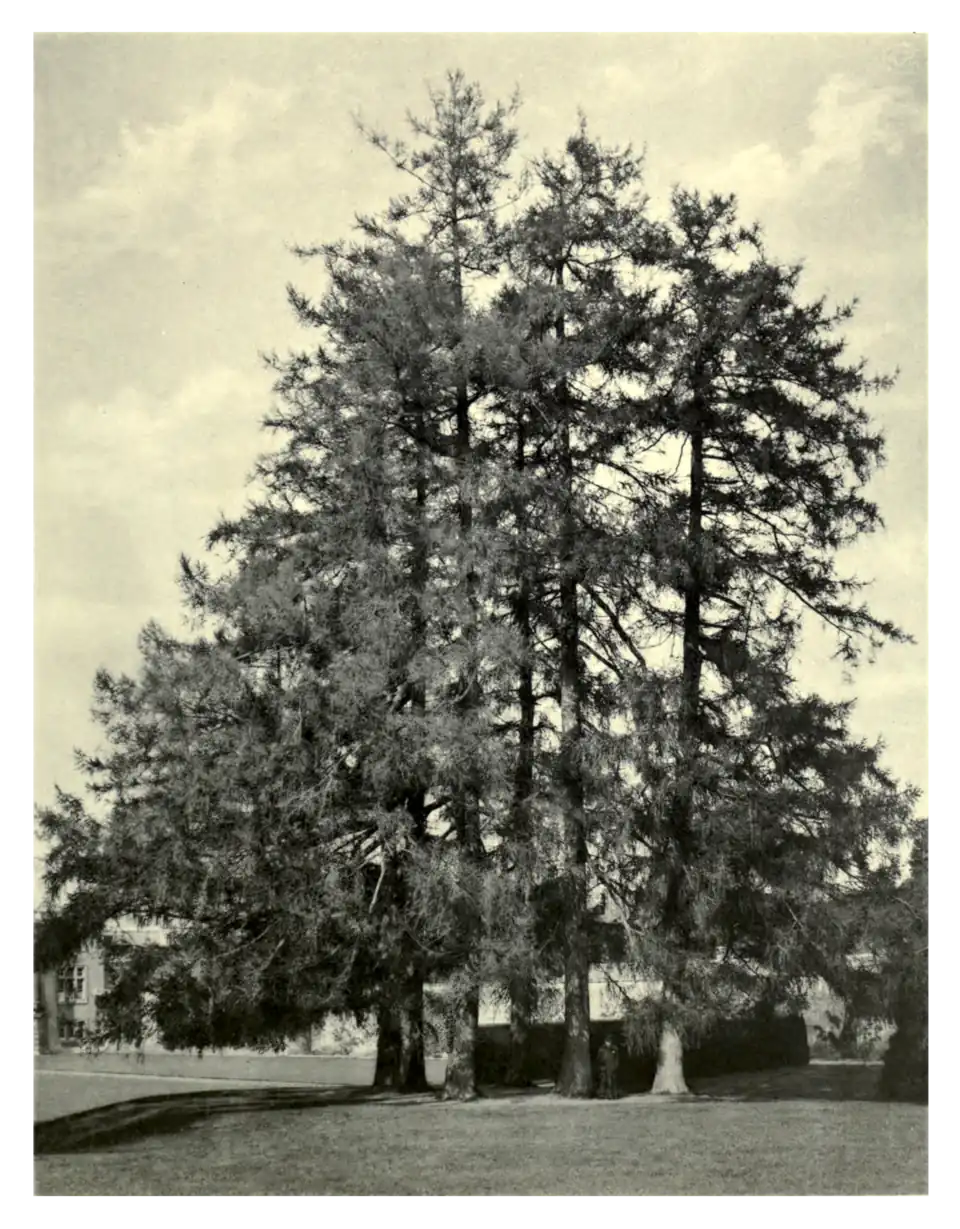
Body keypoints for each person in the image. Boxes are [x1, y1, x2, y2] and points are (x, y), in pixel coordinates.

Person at [598, 1034, 620, 1099]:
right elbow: (599, 1059)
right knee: (604, 1082)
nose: (608, 1043)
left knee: (612, 1082)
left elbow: (617, 1058)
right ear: (605, 1042)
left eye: (609, 1041)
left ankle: (613, 1095)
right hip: (604, 1068)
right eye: (607, 1041)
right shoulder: (601, 1050)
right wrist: (601, 1067)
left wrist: (615, 1066)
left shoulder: (614, 1049)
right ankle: (603, 1095)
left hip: (612, 1068)